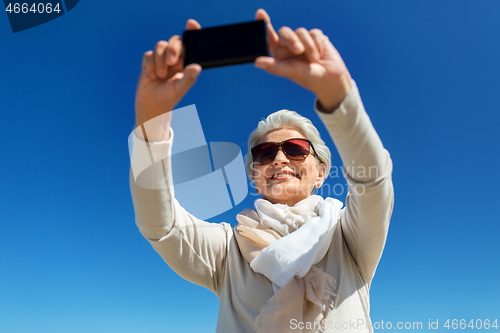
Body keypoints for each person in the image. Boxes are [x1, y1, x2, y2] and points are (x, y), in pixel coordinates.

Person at [130, 9, 394, 333]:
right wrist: (151, 124)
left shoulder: (348, 235)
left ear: (322, 172)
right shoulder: (229, 251)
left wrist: (339, 96)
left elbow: (373, 182)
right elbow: (162, 226)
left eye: (296, 149)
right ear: (255, 177)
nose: (280, 159)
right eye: (266, 153)